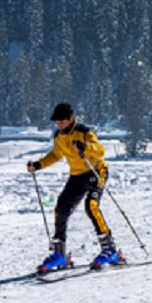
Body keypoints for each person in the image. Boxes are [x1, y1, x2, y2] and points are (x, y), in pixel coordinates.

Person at [26, 102, 122, 272]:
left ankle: (110, 250)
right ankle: (60, 255)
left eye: (62, 122)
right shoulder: (59, 136)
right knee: (61, 209)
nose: (59, 126)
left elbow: (100, 151)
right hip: (77, 176)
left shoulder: (84, 132)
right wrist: (38, 165)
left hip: (96, 171)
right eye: (57, 123)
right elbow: (56, 154)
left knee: (91, 206)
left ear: (71, 119)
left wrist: (85, 147)